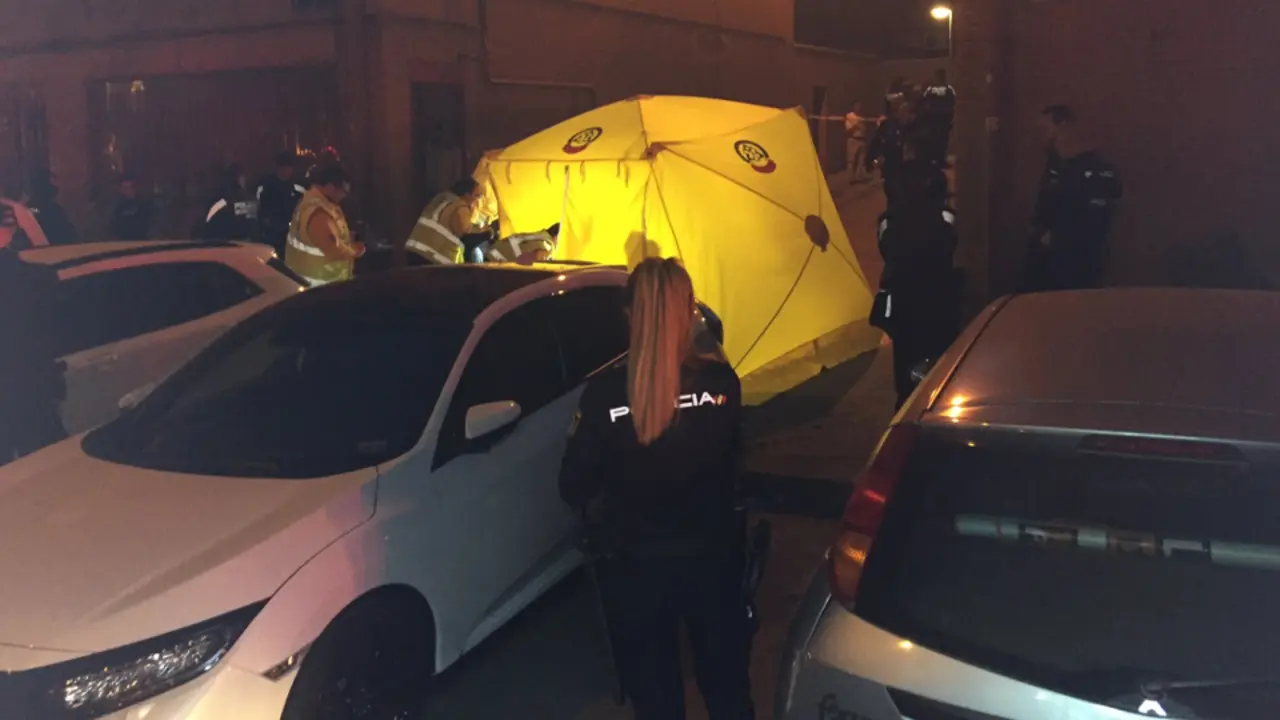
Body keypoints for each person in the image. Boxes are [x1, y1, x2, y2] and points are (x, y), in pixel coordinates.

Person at [560, 257, 754, 720]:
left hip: (637, 570)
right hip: (715, 560)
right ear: (688, 312)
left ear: (630, 316)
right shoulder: (721, 384)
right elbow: (736, 462)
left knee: (657, 698)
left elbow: (573, 486)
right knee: (728, 690)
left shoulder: (602, 397)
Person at [874, 137, 960, 408]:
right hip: (937, 297)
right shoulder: (944, 215)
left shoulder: (889, 220)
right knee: (937, 358)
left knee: (905, 359)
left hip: (905, 299)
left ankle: (907, 405)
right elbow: (950, 245)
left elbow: (887, 250)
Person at [1021, 105, 1123, 292]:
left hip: (1077, 265)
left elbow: (1097, 219)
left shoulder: (1095, 169)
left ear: (1063, 126)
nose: (1042, 136)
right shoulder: (1055, 167)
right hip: (1047, 265)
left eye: (1045, 129)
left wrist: (1059, 237)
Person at [0, 196, 66, 461]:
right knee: (43, 463)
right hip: (34, 388)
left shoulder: (36, 276)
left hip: (21, 388)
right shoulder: (40, 276)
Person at [283, 164, 365, 286]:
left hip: (305, 284)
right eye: (344, 192)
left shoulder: (313, 201)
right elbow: (335, 250)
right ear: (331, 187)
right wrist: (357, 250)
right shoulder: (319, 214)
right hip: (319, 288)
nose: (344, 196)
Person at [405, 177, 485, 265]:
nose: (477, 200)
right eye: (477, 196)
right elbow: (464, 229)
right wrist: (485, 231)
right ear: (466, 194)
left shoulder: (441, 199)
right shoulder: (461, 206)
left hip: (414, 249)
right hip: (433, 257)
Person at [257, 152, 305, 256]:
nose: (287, 171)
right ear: (277, 168)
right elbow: (261, 211)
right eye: (283, 168)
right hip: (272, 236)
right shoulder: (266, 187)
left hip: (292, 236)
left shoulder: (297, 188)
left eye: (289, 168)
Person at [196, 164, 258, 240]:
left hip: (221, 244)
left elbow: (207, 224)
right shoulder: (248, 201)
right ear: (240, 179)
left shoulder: (219, 203)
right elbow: (252, 226)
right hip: (244, 245)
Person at [25, 168, 77, 246]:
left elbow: (68, 234)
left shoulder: (55, 209)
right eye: (51, 187)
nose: (56, 190)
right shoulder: (27, 210)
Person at [921, 68, 957, 166]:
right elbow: (953, 102)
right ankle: (939, 159)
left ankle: (935, 159)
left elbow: (924, 101)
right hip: (943, 119)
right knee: (942, 140)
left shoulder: (930, 89)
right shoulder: (949, 89)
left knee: (935, 139)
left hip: (934, 119)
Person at [107, 174, 155, 241]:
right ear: (121, 189)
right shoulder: (115, 207)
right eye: (126, 188)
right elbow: (110, 227)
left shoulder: (145, 205)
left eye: (132, 187)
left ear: (136, 188)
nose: (129, 190)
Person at [486, 223, 560, 264]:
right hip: (495, 263)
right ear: (556, 236)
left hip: (493, 252)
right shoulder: (545, 246)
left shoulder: (540, 236)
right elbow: (527, 267)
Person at [844, 102, 872, 185]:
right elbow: (848, 130)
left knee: (861, 160)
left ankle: (858, 177)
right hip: (853, 139)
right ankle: (850, 178)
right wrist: (855, 125)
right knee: (851, 160)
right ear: (853, 107)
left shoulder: (862, 117)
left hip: (862, 140)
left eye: (860, 106)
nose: (859, 108)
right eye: (857, 106)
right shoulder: (850, 117)